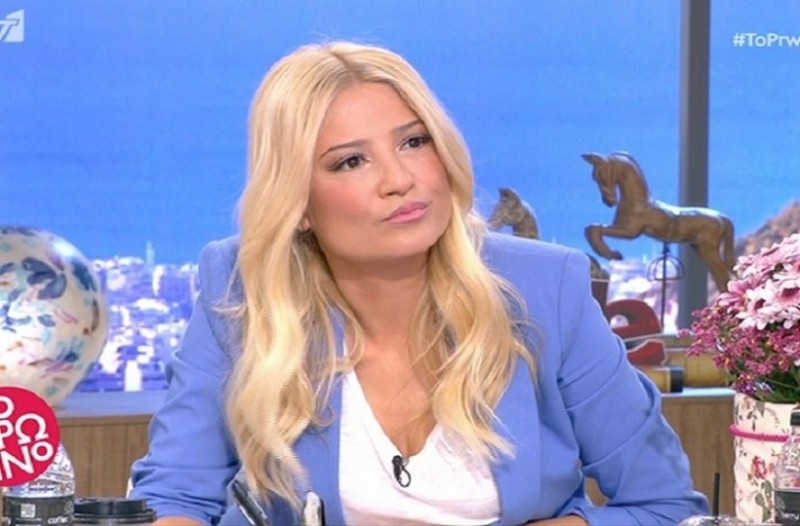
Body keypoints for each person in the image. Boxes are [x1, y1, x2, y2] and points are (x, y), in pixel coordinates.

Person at [129, 41, 709, 525]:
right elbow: (175, 496)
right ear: (297, 202)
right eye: (350, 161)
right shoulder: (244, 288)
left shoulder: (545, 287)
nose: (400, 179)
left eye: (414, 141)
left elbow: (665, 507)